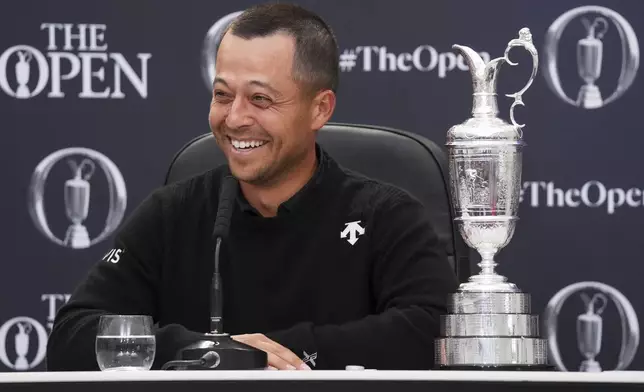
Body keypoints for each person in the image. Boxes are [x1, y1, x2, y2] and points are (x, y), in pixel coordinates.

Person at [46, 3, 458, 371]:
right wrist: (207, 351)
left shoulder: (386, 215)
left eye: (260, 100)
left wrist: (284, 352)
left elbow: (434, 333)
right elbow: (72, 336)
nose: (234, 118)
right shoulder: (171, 213)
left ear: (319, 108)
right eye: (223, 95)